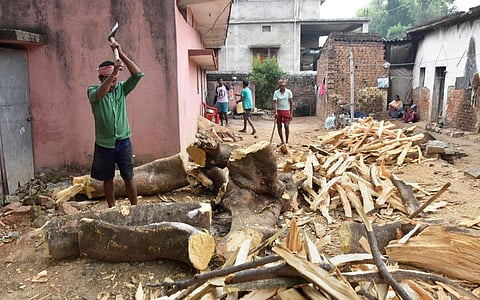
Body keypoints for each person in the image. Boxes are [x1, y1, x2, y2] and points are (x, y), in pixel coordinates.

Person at [87, 41, 144, 208]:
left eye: (114, 80)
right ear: (101, 78)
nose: (112, 84)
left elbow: (138, 75)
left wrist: (121, 52)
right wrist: (113, 75)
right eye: (108, 80)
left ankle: (135, 207)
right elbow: (100, 93)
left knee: (128, 176)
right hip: (104, 144)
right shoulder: (92, 91)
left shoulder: (121, 89)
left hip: (123, 141)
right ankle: (112, 208)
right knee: (107, 178)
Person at [273, 79, 293, 146]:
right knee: (279, 126)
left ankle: (287, 141)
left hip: (286, 110)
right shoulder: (276, 92)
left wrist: (291, 113)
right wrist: (275, 112)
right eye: (281, 86)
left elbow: (291, 103)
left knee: (286, 126)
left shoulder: (288, 92)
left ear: (285, 85)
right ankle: (282, 141)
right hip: (279, 111)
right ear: (279, 86)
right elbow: (275, 103)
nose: (282, 87)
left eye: (283, 86)